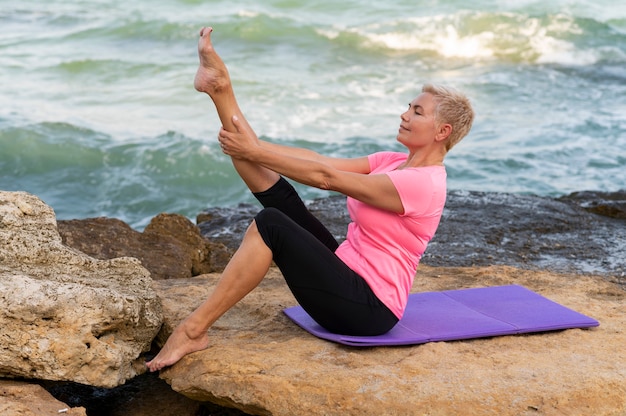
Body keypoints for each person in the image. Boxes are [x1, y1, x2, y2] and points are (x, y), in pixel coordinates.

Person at [146, 26, 474, 372]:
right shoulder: (392, 162)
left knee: (271, 224)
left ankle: (193, 330)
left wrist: (254, 150)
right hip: (346, 274)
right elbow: (320, 161)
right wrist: (254, 149)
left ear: (442, 132)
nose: (405, 114)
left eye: (417, 112)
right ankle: (220, 90)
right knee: (280, 202)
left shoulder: (423, 183)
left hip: (368, 309)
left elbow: (326, 179)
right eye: (408, 106)